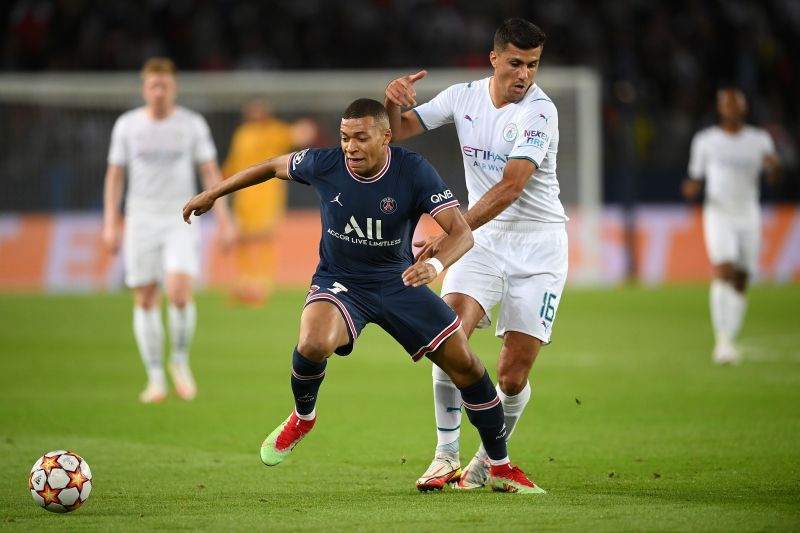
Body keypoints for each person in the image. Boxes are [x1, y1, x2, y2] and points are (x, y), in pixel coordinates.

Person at [182, 98, 544, 494]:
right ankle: (304, 416)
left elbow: (462, 232)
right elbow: (271, 166)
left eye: (359, 138)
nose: (350, 147)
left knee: (468, 368)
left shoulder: (413, 171)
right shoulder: (324, 163)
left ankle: (500, 465)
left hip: (398, 282)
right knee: (313, 341)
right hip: (341, 281)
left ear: (385, 136)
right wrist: (213, 193)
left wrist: (436, 267)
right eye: (343, 138)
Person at [384, 18, 567, 491]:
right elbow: (399, 130)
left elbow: (510, 187)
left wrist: (449, 238)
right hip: (483, 241)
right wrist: (392, 100)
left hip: (538, 246)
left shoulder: (539, 113)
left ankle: (487, 459)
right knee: (448, 337)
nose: (524, 75)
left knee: (510, 375)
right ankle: (445, 455)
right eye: (515, 63)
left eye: (532, 65)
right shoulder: (463, 95)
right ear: (494, 59)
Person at [103, 57, 235, 403]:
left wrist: (225, 219)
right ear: (144, 89)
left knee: (178, 292)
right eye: (152, 86)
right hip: (140, 219)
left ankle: (178, 361)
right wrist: (109, 223)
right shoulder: (127, 126)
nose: (158, 91)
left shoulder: (191, 125)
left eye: (164, 85)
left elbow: (209, 172)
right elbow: (115, 177)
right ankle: (155, 377)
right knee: (145, 297)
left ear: (174, 88)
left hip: (182, 217)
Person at [682, 87, 781, 365]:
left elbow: (774, 177)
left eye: (736, 104)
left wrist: (775, 168)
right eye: (726, 104)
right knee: (724, 268)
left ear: (744, 108)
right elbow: (696, 177)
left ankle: (730, 336)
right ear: (720, 109)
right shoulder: (706, 141)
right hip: (718, 214)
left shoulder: (760, 140)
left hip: (748, 214)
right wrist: (692, 188)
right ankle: (722, 340)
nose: (731, 109)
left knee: (741, 277)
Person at [222, 98, 318, 306]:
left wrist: (307, 128)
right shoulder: (243, 134)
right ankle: (244, 282)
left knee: (264, 236)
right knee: (243, 238)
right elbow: (233, 162)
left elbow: (299, 134)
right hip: (244, 195)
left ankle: (262, 284)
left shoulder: (274, 131)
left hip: (267, 194)